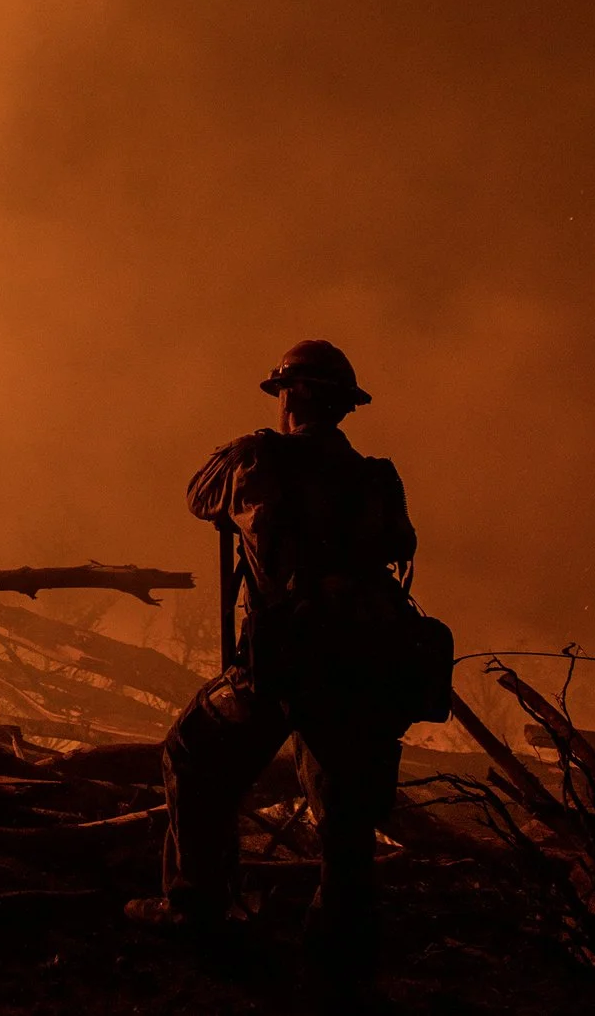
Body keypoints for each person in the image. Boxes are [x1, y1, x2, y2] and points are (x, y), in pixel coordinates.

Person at [126, 340, 420, 998]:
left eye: (283, 392)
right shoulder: (377, 477)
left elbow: (201, 496)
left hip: (283, 661)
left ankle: (196, 911)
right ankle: (339, 953)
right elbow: (400, 544)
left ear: (295, 397)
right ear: (343, 405)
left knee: (191, 754)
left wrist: (242, 444)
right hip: (361, 664)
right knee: (344, 812)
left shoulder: (260, 456)